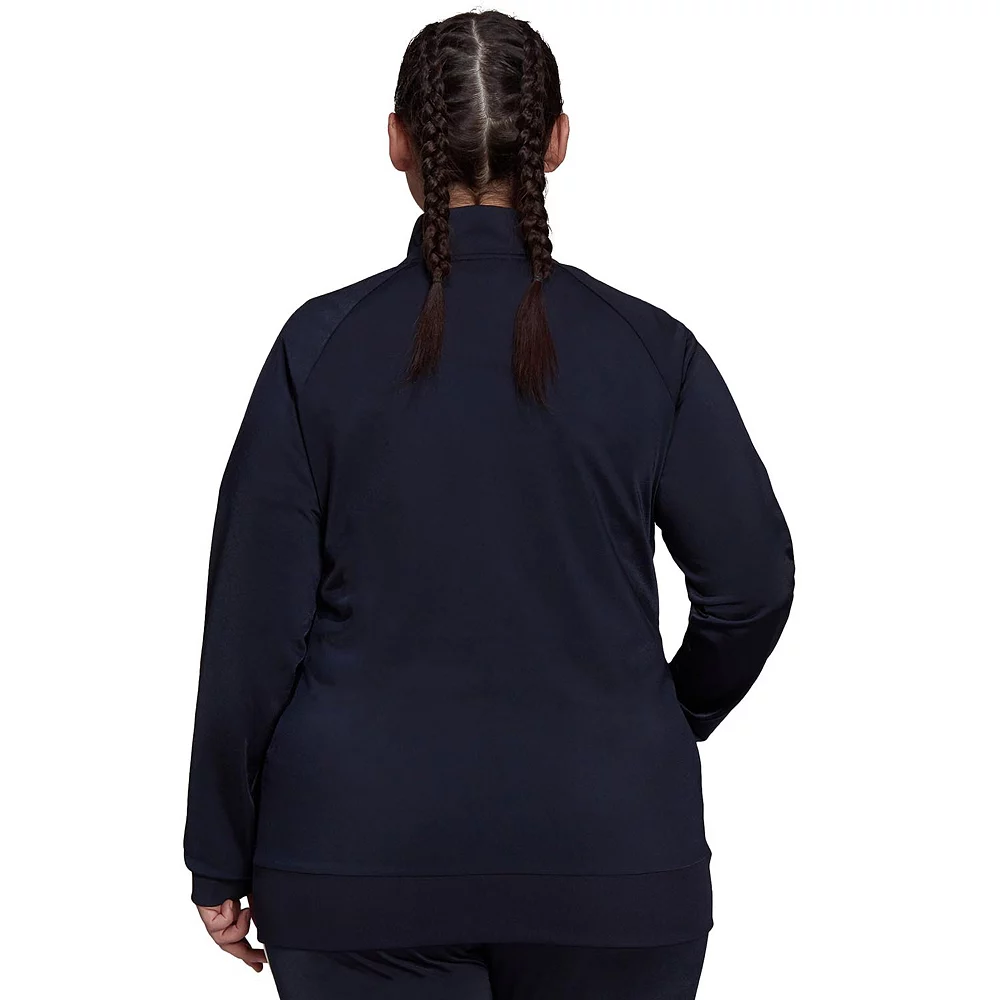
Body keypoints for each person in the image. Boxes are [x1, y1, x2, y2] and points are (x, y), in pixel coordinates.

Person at [183, 10, 795, 999]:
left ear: (397, 141)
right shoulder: (649, 350)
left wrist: (217, 849)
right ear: (556, 140)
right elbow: (752, 584)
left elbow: (252, 629)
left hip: (354, 862)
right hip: (611, 859)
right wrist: (661, 715)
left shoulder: (320, 348)